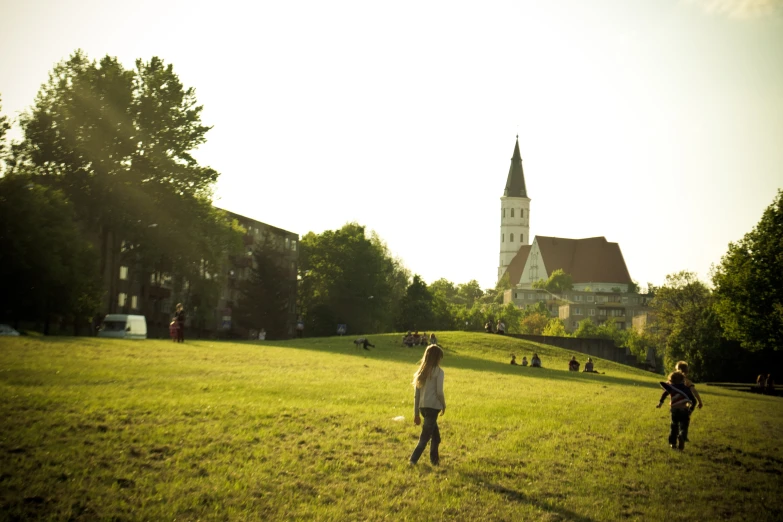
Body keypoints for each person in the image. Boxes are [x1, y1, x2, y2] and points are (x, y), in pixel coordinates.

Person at [409, 344, 446, 466]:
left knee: (436, 438)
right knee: (424, 438)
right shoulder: (439, 372)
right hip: (433, 407)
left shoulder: (421, 373)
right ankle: (413, 460)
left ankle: (435, 461)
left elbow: (417, 395)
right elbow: (439, 392)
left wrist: (416, 414)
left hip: (423, 408)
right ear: (437, 358)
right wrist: (443, 404)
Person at [657, 370, 697, 451]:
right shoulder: (686, 389)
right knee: (684, 426)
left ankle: (673, 443)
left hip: (674, 410)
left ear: (671, 380)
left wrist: (660, 403)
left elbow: (664, 394)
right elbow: (694, 401)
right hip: (684, 410)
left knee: (674, 426)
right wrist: (691, 410)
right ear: (683, 379)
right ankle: (682, 436)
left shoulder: (671, 388)